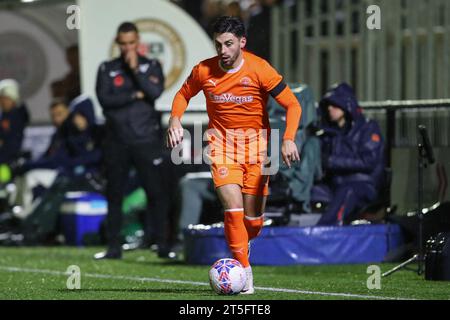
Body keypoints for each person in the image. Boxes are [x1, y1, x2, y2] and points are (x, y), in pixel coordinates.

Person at [167, 16, 302, 294]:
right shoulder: (204, 70)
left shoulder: (259, 69)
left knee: (252, 222)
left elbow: (293, 105)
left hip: (258, 150)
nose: (223, 50)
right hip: (221, 148)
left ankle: (244, 241)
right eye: (218, 44)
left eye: (229, 44)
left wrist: (288, 139)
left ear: (242, 42)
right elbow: (183, 94)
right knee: (232, 210)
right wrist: (174, 121)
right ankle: (245, 273)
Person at [95, 21, 172, 260]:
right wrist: (133, 95)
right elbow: (105, 101)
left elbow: (154, 93)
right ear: (118, 43)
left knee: (155, 192)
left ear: (138, 43)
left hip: (145, 139)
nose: (128, 47)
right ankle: (113, 246)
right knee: (115, 194)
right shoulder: (107, 68)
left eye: (132, 43)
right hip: (116, 141)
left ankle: (162, 244)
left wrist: (136, 71)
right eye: (124, 43)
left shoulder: (151, 66)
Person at [312, 83, 385, 226]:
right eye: (328, 105)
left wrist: (331, 161)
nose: (329, 109)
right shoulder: (328, 134)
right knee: (308, 192)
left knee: (347, 192)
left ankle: (324, 231)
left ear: (346, 105)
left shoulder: (368, 128)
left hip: (362, 185)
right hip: (334, 185)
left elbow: (368, 161)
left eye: (335, 105)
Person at [0, 79, 30, 166]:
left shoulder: (18, 114)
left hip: (10, 159)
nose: (1, 102)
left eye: (4, 98)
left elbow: (25, 116)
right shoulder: (4, 115)